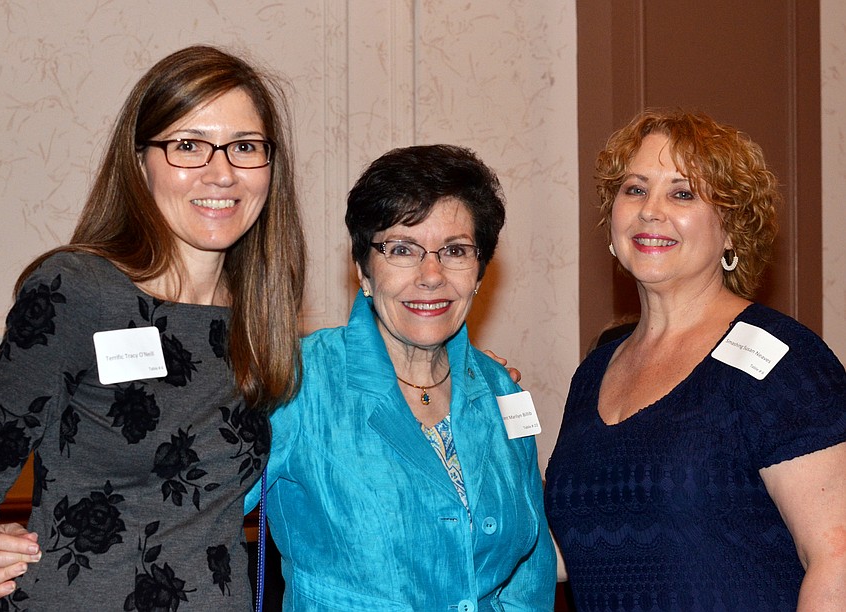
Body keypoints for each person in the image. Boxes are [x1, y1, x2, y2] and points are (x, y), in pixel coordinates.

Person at [0, 45, 305, 609]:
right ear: (140, 162)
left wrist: (456, 375)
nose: (222, 172)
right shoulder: (77, 290)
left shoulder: (263, 317)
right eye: (187, 146)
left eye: (244, 147)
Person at [544, 109, 846, 610]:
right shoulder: (596, 371)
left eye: (682, 193)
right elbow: (567, 551)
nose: (650, 211)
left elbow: (836, 557)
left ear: (732, 230)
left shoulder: (780, 361)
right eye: (635, 189)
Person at [246, 144, 557, 610]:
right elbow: (190, 522)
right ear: (363, 270)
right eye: (402, 249)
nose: (431, 275)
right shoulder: (297, 383)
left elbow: (529, 579)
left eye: (454, 250)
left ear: (478, 272)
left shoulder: (501, 389)